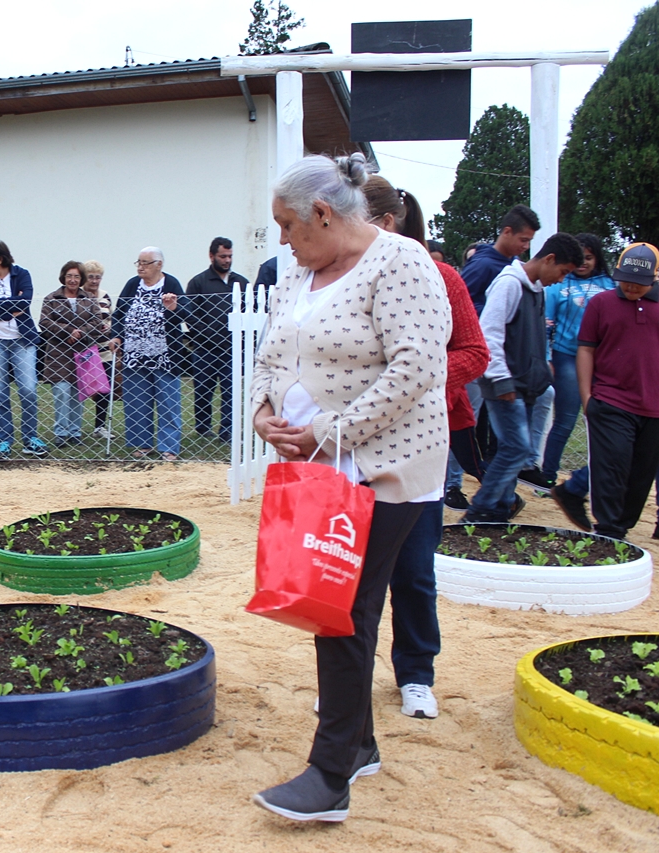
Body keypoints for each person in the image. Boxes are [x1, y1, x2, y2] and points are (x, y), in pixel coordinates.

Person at [249, 153, 450, 822]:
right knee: (321, 600)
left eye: (287, 225)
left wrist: (333, 430)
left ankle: (330, 774)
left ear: (324, 215)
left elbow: (416, 366)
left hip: (383, 468)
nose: (282, 239)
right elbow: (271, 356)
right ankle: (358, 743)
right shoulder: (294, 274)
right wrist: (263, 413)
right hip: (311, 470)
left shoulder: (401, 263)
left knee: (346, 610)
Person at [362, 175, 488, 720]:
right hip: (353, 445)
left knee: (413, 569)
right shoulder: (338, 280)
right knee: (347, 569)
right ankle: (349, 676)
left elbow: (474, 352)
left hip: (419, 442)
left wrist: (419, 383)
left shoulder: (443, 278)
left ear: (387, 223)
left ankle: (416, 672)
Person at [551, 244, 659, 543]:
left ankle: (622, 525)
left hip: (656, 404)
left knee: (642, 471)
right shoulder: (601, 303)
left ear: (655, 277)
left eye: (638, 282)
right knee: (612, 464)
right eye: (625, 278)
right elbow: (586, 349)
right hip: (611, 399)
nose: (630, 286)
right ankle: (608, 529)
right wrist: (587, 394)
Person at [463, 233, 582, 523]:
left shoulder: (536, 288)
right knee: (517, 448)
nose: (562, 279)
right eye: (563, 272)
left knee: (512, 450)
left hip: (525, 384)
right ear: (549, 259)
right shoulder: (509, 284)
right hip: (504, 383)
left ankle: (501, 508)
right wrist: (502, 379)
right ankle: (480, 509)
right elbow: (489, 333)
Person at [531, 235, 615, 491]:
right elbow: (546, 324)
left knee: (604, 421)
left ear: (597, 258)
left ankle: (594, 479)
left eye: (589, 257)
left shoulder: (610, 286)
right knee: (566, 419)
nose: (583, 263)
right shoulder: (559, 283)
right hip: (566, 356)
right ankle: (547, 476)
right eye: (580, 258)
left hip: (602, 360)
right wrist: (547, 358)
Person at [109, 247, 188, 461]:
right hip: (135, 354)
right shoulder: (132, 285)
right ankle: (141, 443)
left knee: (168, 401)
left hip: (164, 355)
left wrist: (173, 307)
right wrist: (117, 336)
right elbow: (119, 314)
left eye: (145, 263)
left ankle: (169, 446)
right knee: (136, 400)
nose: (141, 267)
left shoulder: (171, 284)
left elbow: (187, 313)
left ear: (159, 265)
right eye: (139, 262)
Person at [0, 240, 47, 458]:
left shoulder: (22, 274)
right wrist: (9, 307)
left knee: (28, 389)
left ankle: (31, 438)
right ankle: (4, 441)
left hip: (22, 339)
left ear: (0, 258)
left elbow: (24, 303)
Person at [186, 237, 250, 440]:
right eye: (223, 256)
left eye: (230, 256)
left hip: (232, 349)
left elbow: (250, 312)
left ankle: (228, 432)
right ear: (211, 255)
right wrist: (208, 336)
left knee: (231, 392)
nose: (227, 260)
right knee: (203, 390)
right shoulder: (198, 283)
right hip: (205, 350)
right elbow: (190, 317)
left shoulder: (241, 283)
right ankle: (203, 429)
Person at [40, 262, 106, 447]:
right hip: (58, 354)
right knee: (61, 392)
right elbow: (44, 322)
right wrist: (67, 331)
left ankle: (75, 432)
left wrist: (80, 332)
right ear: (63, 277)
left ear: (81, 279)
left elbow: (96, 322)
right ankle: (61, 432)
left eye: (77, 277)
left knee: (79, 394)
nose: (73, 280)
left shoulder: (90, 299)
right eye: (69, 276)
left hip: (83, 353)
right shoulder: (52, 298)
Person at [461, 205, 540, 314]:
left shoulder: (516, 262)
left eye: (529, 241)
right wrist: (499, 313)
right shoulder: (481, 265)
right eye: (523, 240)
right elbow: (460, 303)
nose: (526, 246)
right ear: (507, 232)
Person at [81, 260, 116, 441]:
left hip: (104, 350)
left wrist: (109, 329)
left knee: (105, 389)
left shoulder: (104, 296)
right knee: (81, 388)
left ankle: (100, 426)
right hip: (84, 351)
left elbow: (111, 317)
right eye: (91, 277)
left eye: (98, 277)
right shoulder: (78, 296)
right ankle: (73, 428)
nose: (95, 281)